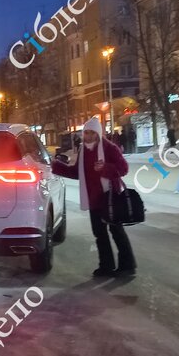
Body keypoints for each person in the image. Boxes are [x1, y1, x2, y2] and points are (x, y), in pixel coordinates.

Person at [52, 117, 136, 278]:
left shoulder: (109, 147)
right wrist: (56, 166)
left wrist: (105, 168)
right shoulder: (83, 151)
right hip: (93, 200)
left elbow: (123, 168)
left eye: (91, 133)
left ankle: (127, 265)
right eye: (86, 133)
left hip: (110, 197)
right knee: (100, 234)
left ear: (98, 133)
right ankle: (106, 266)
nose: (88, 136)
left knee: (116, 231)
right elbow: (77, 173)